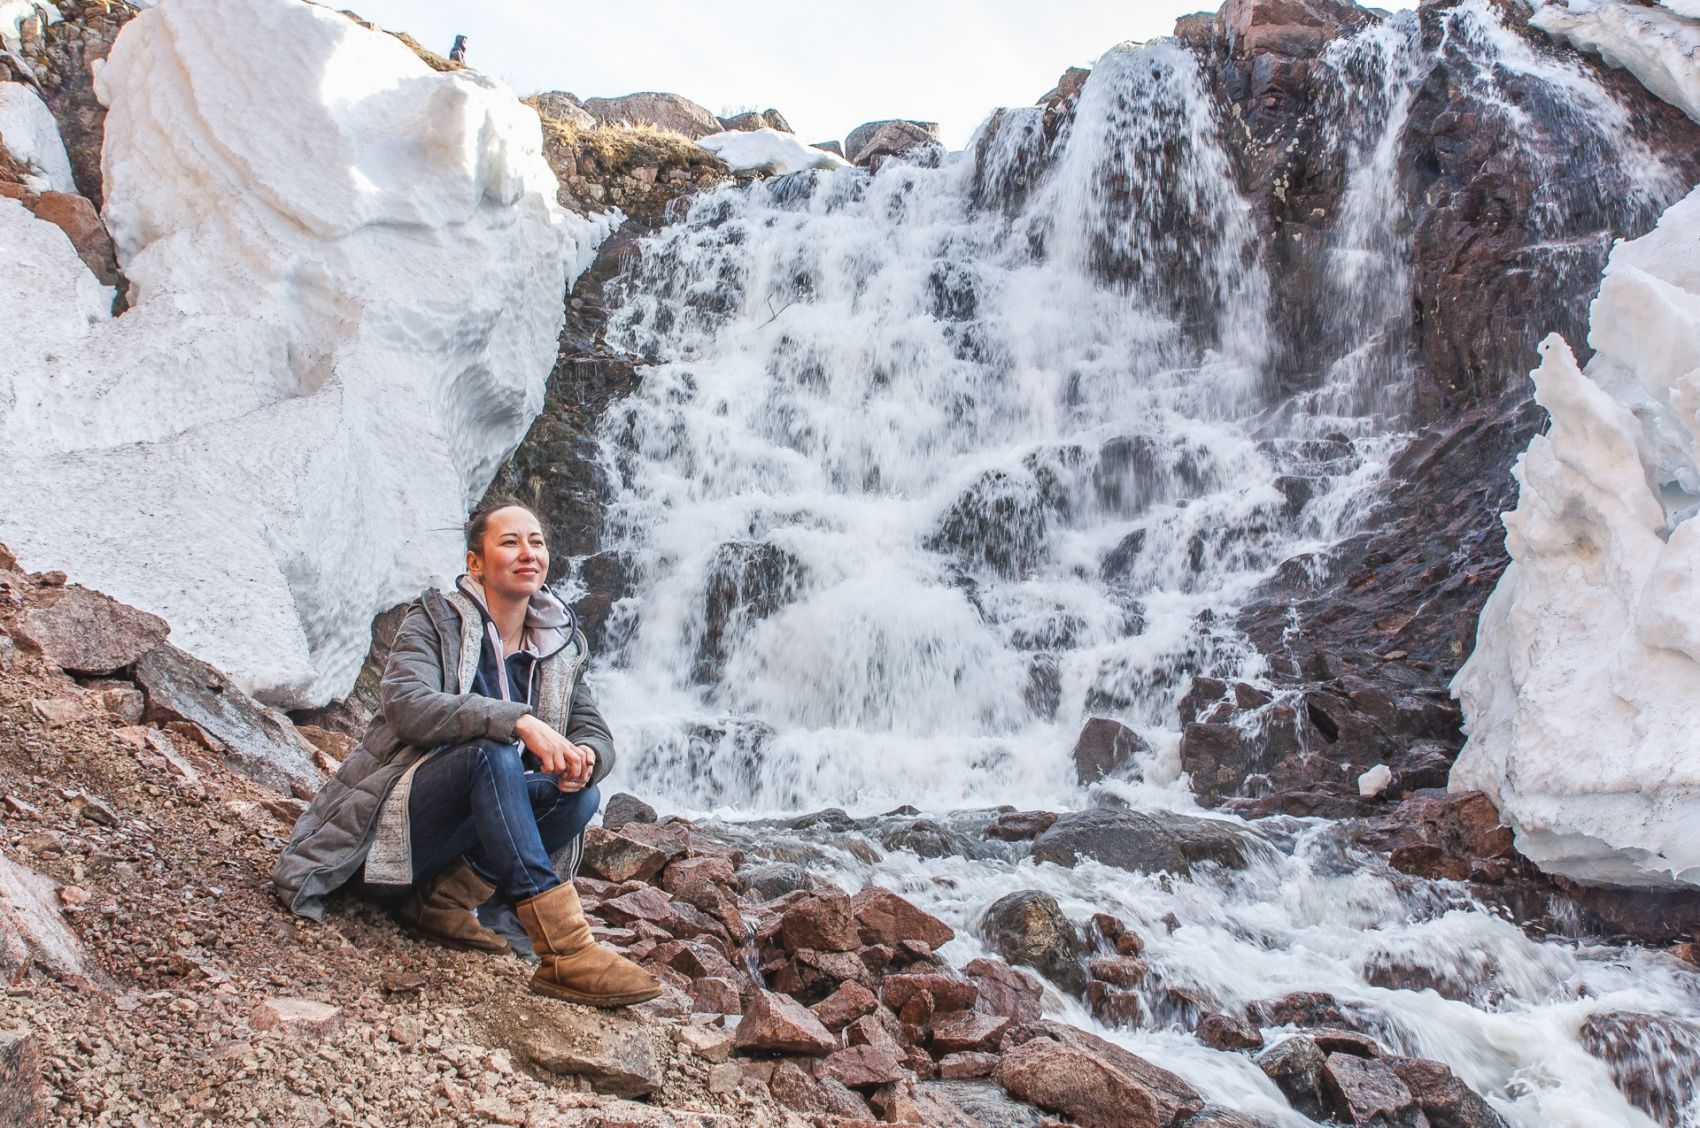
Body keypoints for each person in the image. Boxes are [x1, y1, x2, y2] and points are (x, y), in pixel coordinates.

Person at [272, 501, 660, 1007]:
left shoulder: (560, 645)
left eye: (536, 542)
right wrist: (517, 720)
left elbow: (593, 729)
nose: (528, 553)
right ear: (475, 562)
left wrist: (585, 754)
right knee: (490, 756)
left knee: (581, 796)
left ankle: (444, 903)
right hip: (396, 843)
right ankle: (566, 950)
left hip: (463, 848)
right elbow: (408, 705)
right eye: (510, 542)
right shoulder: (434, 619)